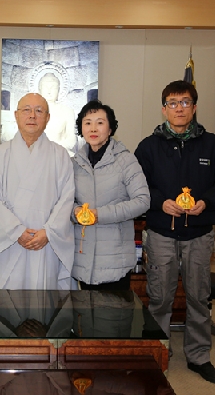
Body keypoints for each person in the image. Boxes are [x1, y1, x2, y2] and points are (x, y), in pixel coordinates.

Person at [135, 80, 215, 384]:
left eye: (185, 102)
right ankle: (160, 352)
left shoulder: (213, 144)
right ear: (164, 108)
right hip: (161, 234)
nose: (179, 108)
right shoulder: (148, 146)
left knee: (199, 297)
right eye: (173, 103)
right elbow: (139, 185)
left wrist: (206, 202)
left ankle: (198, 356)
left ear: (194, 107)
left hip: (199, 234)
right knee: (160, 298)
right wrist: (161, 202)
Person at [0, 93, 75, 290]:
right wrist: (16, 230)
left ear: (48, 118)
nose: (32, 116)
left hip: (45, 242)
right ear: (16, 115)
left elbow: (67, 199)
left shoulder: (60, 156)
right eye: (26, 110)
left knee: (42, 305)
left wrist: (48, 232)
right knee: (6, 307)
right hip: (6, 242)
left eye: (39, 111)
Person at [72, 100, 150, 290]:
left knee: (112, 317)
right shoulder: (74, 163)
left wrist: (100, 214)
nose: (93, 128)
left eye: (100, 122)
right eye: (87, 122)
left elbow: (142, 201)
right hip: (81, 257)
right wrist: (74, 213)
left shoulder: (125, 160)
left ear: (110, 128)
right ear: (81, 128)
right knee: (83, 317)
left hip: (115, 259)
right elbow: (64, 202)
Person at [38, 73, 78, 156]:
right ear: (40, 90)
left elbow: (72, 139)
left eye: (53, 88)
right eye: (45, 87)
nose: (49, 91)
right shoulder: (32, 112)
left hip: (60, 152)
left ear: (59, 90)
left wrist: (55, 147)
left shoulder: (67, 111)